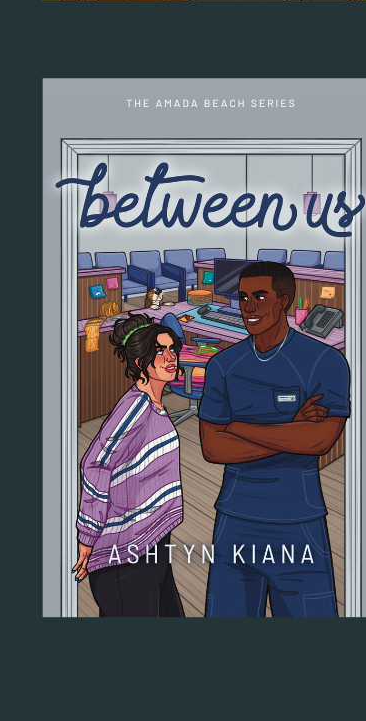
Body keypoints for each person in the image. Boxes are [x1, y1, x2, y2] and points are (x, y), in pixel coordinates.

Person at [199, 262, 349, 617]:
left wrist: (237, 427)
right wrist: (291, 427)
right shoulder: (223, 365)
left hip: (298, 522)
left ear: (285, 300)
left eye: (260, 297)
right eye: (243, 298)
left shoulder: (325, 362)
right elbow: (212, 447)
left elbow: (319, 441)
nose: (249, 307)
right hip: (234, 520)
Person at [72, 313, 186, 616]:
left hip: (153, 539)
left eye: (172, 349)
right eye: (159, 352)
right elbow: (94, 465)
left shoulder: (154, 406)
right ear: (140, 363)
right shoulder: (136, 407)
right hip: (125, 553)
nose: (170, 357)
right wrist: (87, 537)